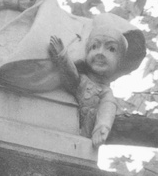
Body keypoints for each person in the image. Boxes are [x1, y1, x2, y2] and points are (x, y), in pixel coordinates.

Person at [47, 14, 146, 148]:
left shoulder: (105, 92)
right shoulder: (82, 80)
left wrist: (102, 127)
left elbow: (108, 108)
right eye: (94, 47)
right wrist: (62, 55)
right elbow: (71, 79)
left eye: (111, 49)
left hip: (86, 141)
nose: (100, 53)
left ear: (120, 61)